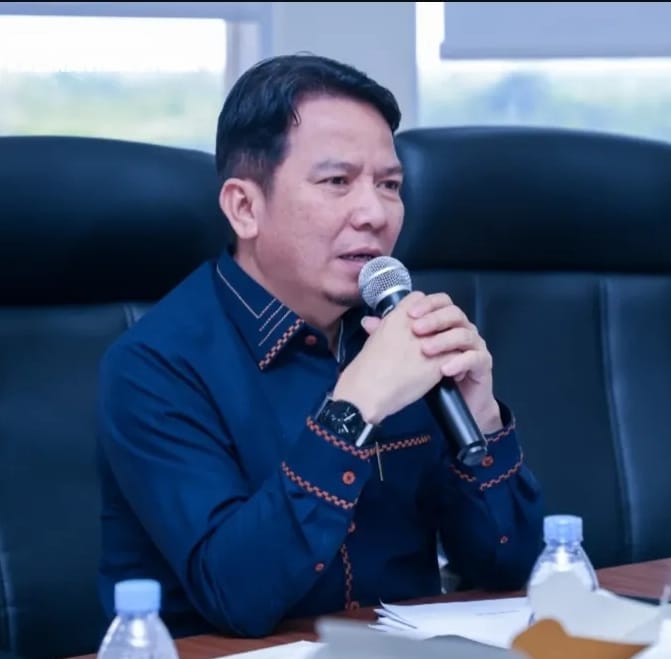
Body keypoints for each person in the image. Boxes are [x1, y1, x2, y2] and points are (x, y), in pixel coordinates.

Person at [96, 53, 544, 639]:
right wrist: (354, 408)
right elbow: (238, 597)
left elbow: (515, 572)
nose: (374, 214)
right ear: (244, 207)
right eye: (337, 182)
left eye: (389, 185)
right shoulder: (154, 367)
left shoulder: (399, 333)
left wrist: (479, 421)